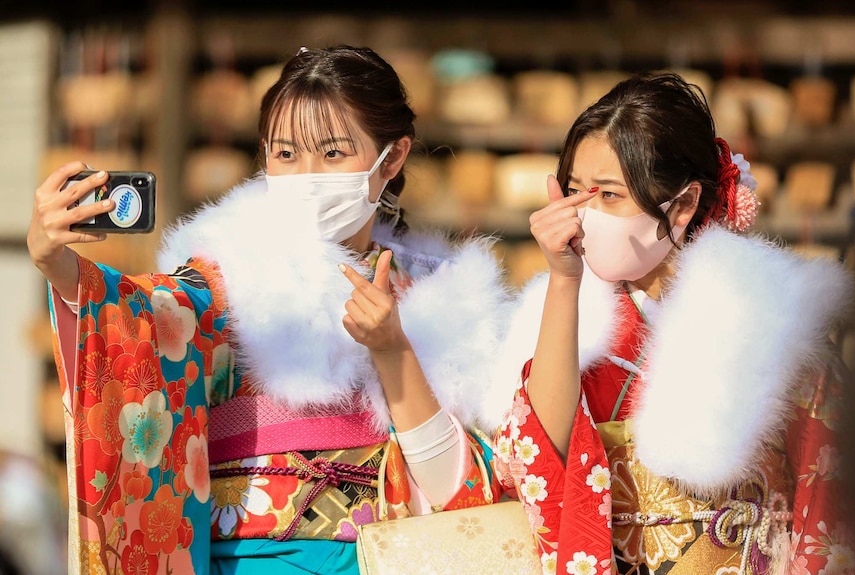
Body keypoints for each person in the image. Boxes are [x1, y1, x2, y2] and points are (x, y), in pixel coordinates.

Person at [28, 45, 513, 575]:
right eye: (285, 155)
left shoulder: (444, 293)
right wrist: (60, 267)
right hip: (246, 560)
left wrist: (394, 350)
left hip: (389, 557)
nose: (306, 174)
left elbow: (463, 492)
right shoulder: (222, 277)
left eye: (332, 153)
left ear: (392, 158)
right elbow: (139, 319)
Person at [491, 72, 855, 574]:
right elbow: (539, 456)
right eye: (574, 192)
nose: (582, 215)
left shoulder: (771, 318)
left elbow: (828, 501)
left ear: (682, 205)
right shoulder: (565, 314)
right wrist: (562, 282)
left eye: (609, 196)